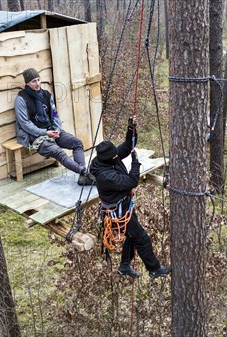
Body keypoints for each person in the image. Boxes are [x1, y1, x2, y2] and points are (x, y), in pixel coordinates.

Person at [89, 118, 171, 279]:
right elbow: (131, 182)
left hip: (122, 207)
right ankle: (154, 268)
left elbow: (126, 147)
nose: (117, 157)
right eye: (115, 157)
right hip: (117, 212)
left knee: (132, 236)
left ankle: (124, 266)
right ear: (108, 159)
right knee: (142, 238)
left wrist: (130, 128)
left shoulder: (106, 158)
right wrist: (135, 163)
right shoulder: (105, 175)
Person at [15, 68, 95, 185]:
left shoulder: (46, 95)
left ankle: (82, 175)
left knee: (77, 143)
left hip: (51, 130)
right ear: (27, 83)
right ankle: (85, 172)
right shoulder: (21, 99)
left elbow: (55, 115)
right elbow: (25, 124)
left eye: (38, 80)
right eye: (33, 81)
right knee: (59, 153)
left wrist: (57, 130)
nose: (37, 84)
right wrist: (45, 133)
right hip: (35, 136)